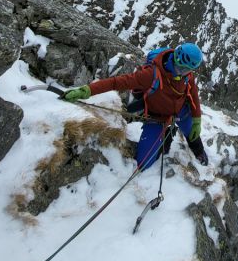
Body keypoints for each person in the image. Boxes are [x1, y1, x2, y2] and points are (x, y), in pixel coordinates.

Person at [63, 43, 208, 169]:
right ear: (175, 59)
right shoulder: (150, 75)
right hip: (158, 117)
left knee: (192, 133)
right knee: (144, 163)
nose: (183, 74)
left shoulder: (186, 75)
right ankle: (165, 138)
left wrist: (197, 119)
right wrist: (87, 90)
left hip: (181, 111)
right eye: (181, 69)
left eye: (187, 71)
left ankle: (199, 151)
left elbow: (193, 94)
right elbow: (116, 82)